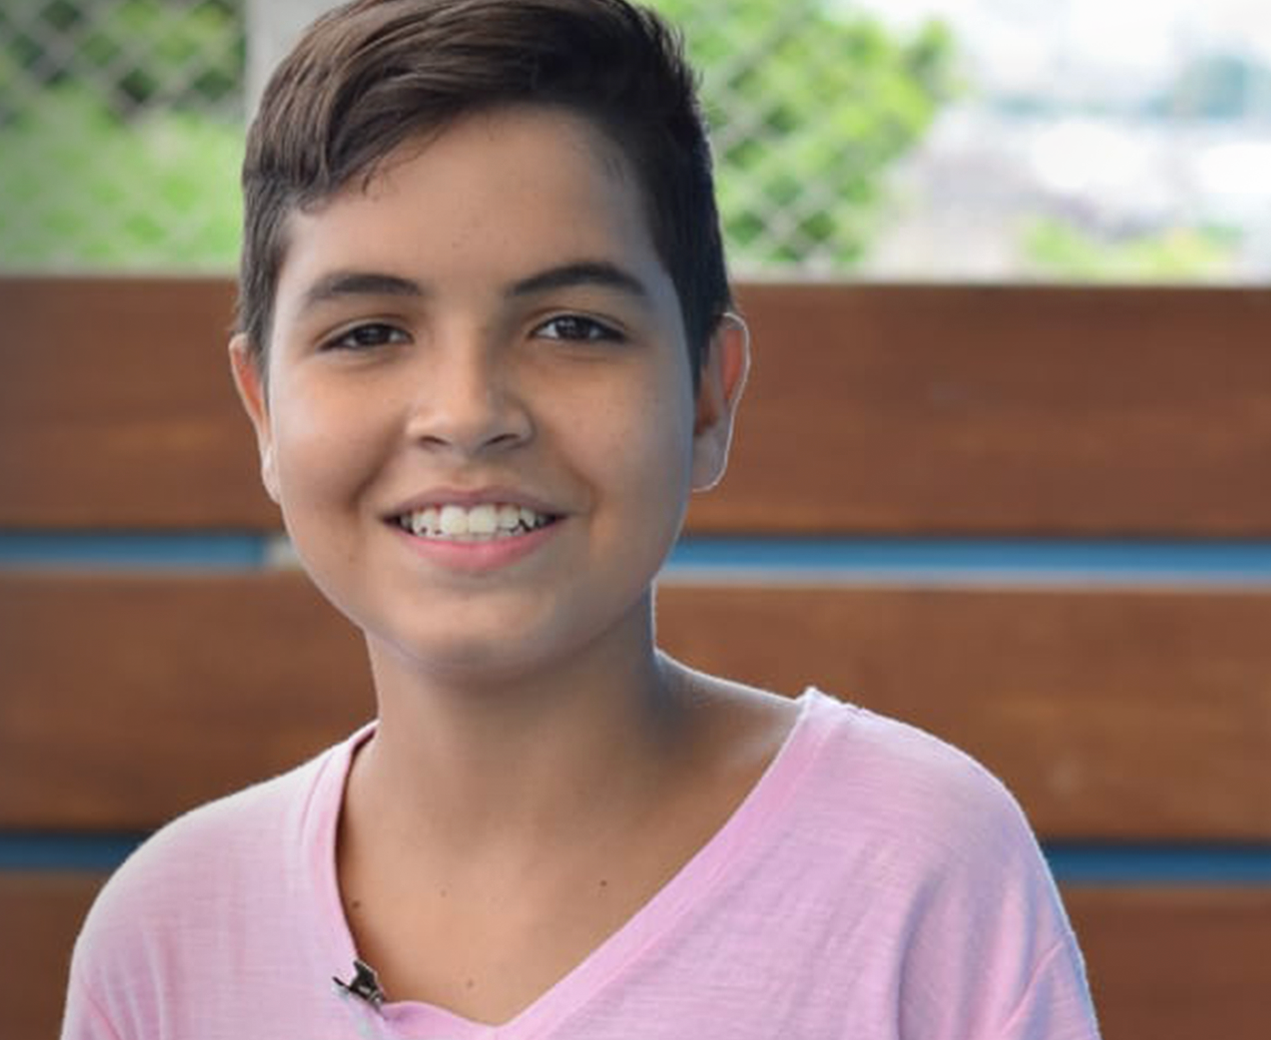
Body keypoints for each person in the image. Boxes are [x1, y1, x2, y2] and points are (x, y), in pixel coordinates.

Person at [58, 1, 1100, 1036]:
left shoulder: (918, 867)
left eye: (572, 325)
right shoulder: (166, 937)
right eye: (370, 331)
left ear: (707, 396)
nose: (467, 414)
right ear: (264, 412)